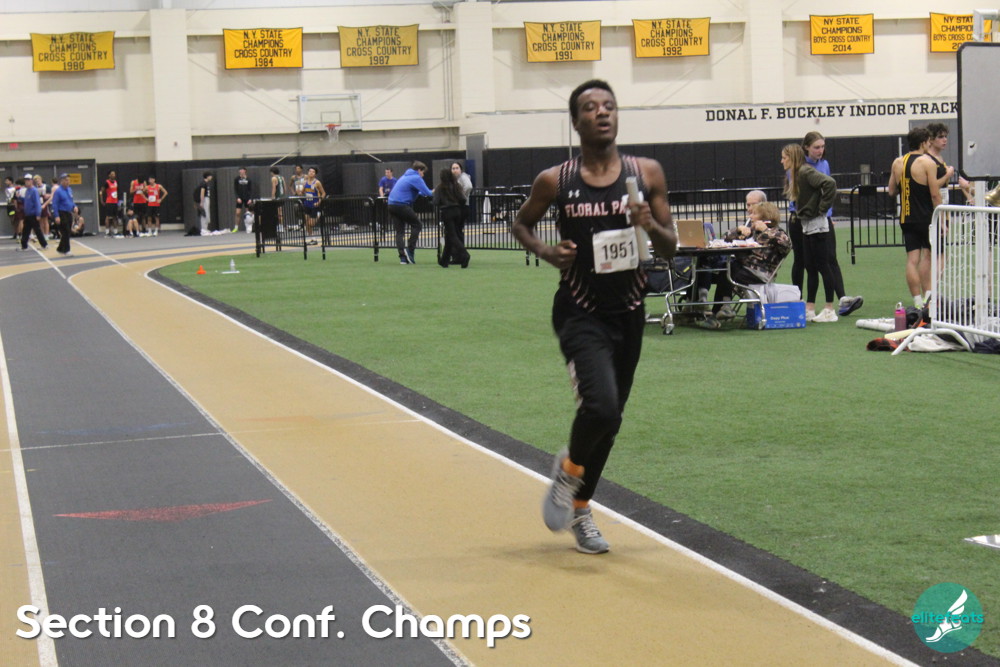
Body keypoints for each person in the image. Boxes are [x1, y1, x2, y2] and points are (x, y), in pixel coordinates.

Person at [511, 79, 677, 554]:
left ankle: (581, 509)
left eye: (609, 105)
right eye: (590, 107)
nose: (602, 112)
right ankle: (569, 475)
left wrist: (649, 224)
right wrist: (547, 251)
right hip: (580, 311)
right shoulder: (556, 180)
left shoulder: (645, 173)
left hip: (629, 311)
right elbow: (521, 224)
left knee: (611, 419)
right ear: (576, 121)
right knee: (600, 407)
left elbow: (670, 246)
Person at [700, 201, 791, 329]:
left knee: (728, 269)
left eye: (754, 214)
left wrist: (766, 231)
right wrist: (738, 230)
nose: (750, 216)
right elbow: (725, 238)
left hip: (760, 273)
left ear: (765, 217)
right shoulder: (752, 232)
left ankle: (719, 311)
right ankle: (718, 307)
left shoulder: (778, 233)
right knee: (721, 268)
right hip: (742, 269)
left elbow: (787, 245)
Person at [801, 132, 864, 316]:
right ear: (806, 147)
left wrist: (826, 213)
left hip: (822, 219)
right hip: (805, 219)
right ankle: (805, 304)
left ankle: (841, 299)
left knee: (830, 259)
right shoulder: (801, 167)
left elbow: (829, 191)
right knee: (807, 263)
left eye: (822, 146)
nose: (820, 150)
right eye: (816, 147)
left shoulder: (824, 164)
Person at [782, 143, 838, 322]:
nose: (782, 161)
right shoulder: (796, 174)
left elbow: (830, 183)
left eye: (784, 157)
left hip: (816, 223)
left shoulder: (805, 172)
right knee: (810, 266)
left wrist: (821, 209)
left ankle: (829, 309)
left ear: (792, 158)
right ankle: (810, 308)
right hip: (806, 223)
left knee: (823, 265)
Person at [887, 127, 939, 309]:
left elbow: (891, 191)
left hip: (906, 218)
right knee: (928, 256)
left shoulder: (897, 162)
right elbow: (935, 194)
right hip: (926, 217)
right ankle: (929, 298)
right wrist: (943, 217)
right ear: (924, 142)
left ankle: (917, 300)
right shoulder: (927, 162)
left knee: (912, 259)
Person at [387, 160, 433, 264]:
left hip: (391, 205)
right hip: (401, 205)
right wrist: (436, 191)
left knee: (399, 232)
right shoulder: (416, 177)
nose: (423, 175)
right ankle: (410, 250)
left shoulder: (405, 176)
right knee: (417, 225)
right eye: (423, 172)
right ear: (419, 170)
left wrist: (422, 193)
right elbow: (428, 193)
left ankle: (403, 258)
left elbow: (411, 190)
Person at [433, 166, 470, 268]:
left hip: (446, 212)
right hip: (457, 211)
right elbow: (463, 199)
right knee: (449, 236)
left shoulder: (440, 187)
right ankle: (444, 260)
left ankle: (465, 254)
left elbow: (436, 202)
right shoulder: (456, 185)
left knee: (452, 236)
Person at [17, 175, 47, 251]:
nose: (26, 182)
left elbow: (37, 203)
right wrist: (20, 198)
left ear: (31, 181)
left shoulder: (34, 191)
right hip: (28, 214)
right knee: (26, 230)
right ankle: (24, 246)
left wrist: (38, 214)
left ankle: (44, 245)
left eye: (28, 180)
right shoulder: (27, 190)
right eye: (25, 180)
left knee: (37, 230)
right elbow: (27, 201)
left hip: (33, 214)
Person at [52, 173, 77, 256]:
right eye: (66, 180)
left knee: (68, 231)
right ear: (61, 181)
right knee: (66, 231)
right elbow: (55, 204)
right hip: (61, 213)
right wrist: (56, 216)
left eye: (69, 180)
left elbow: (71, 200)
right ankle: (66, 250)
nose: (68, 182)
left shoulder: (69, 189)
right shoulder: (58, 191)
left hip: (68, 212)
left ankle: (60, 248)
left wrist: (74, 206)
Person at [301, 167, 325, 240]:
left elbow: (323, 193)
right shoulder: (305, 182)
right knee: (307, 223)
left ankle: (318, 214)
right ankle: (312, 238)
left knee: (311, 223)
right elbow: (302, 192)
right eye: (310, 171)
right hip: (307, 204)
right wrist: (300, 192)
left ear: (315, 174)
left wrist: (319, 201)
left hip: (314, 205)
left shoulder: (317, 182)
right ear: (307, 172)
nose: (311, 173)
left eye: (313, 172)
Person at [233, 167, 253, 233]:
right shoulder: (236, 179)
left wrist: (250, 198)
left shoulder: (249, 179)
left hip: (247, 198)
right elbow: (235, 189)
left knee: (248, 213)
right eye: (240, 170)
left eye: (242, 170)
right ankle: (236, 227)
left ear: (245, 171)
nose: (241, 171)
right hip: (240, 198)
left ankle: (248, 227)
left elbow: (250, 190)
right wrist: (237, 197)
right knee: (237, 213)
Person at [100, 170, 119, 236]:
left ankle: (115, 231)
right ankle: (107, 231)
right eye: (112, 174)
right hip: (109, 202)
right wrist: (102, 200)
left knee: (115, 217)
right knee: (108, 217)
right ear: (109, 175)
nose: (114, 175)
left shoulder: (116, 182)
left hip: (115, 202)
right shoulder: (107, 183)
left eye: (114, 174)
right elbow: (101, 191)